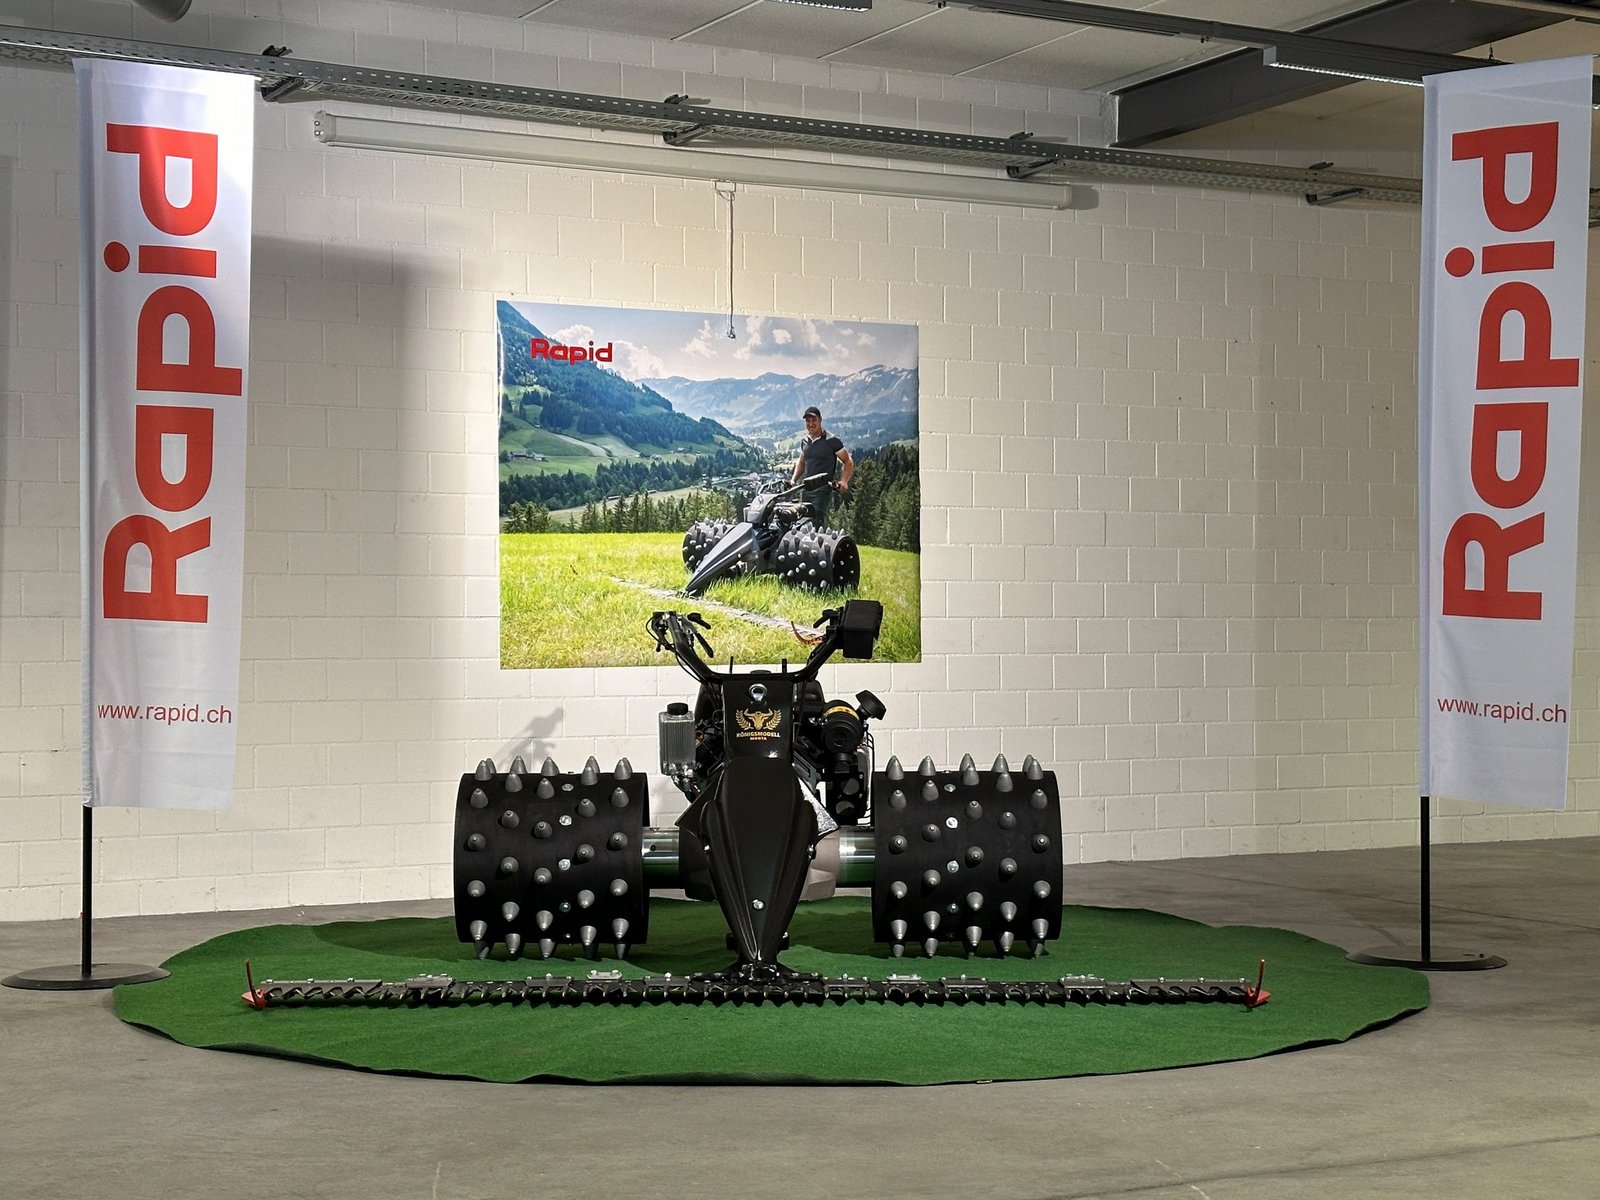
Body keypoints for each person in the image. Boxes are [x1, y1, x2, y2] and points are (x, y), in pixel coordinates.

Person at [791, 405, 852, 525]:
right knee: (803, 523)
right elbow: (802, 462)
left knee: (816, 522)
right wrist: (793, 480)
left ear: (820, 420)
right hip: (806, 490)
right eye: (808, 421)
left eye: (814, 420)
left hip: (823, 491)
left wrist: (844, 481)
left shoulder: (831, 440)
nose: (811, 424)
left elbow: (848, 461)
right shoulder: (805, 441)